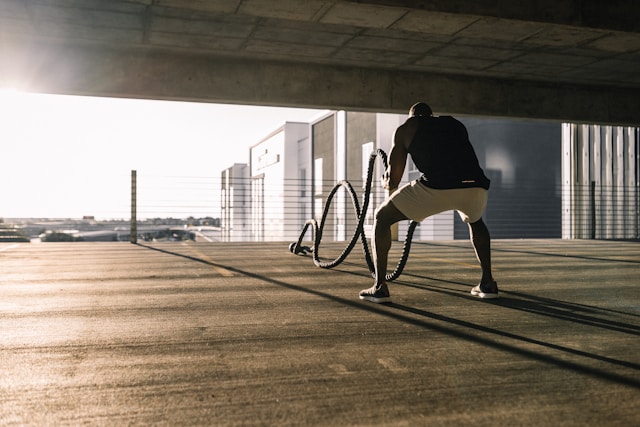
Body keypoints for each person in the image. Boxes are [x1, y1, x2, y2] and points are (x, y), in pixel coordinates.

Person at [359, 102, 498, 303]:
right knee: (476, 222)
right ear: (431, 115)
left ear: (412, 116)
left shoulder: (407, 128)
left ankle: (379, 286)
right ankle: (488, 283)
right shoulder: (454, 124)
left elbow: (394, 179)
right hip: (475, 185)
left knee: (382, 217)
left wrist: (385, 181)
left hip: (437, 187)